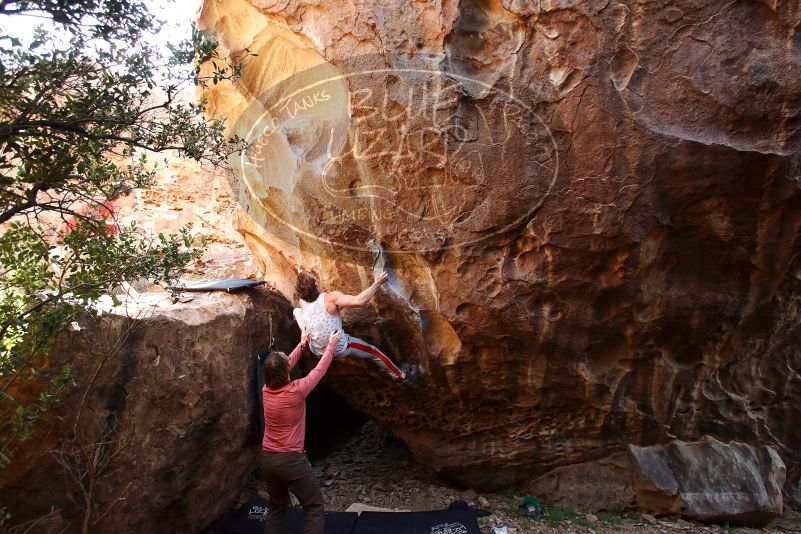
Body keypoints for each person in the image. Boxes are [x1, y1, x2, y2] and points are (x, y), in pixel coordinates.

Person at [261, 330, 340, 534]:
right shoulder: (297, 390)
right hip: (291, 461)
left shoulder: (265, 391)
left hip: (268, 459)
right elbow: (319, 370)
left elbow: (283, 366)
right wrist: (332, 344)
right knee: (314, 508)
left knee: (276, 508)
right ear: (286, 371)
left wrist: (302, 344)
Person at [293, 270, 421, 385]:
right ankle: (401, 376)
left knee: (297, 312)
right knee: (373, 352)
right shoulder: (330, 298)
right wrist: (376, 284)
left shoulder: (302, 302)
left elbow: (305, 289)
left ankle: (305, 332)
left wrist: (300, 273)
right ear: (316, 285)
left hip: (315, 348)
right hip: (338, 347)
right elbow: (359, 301)